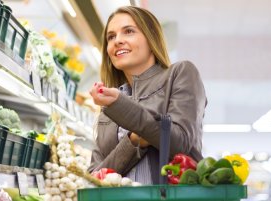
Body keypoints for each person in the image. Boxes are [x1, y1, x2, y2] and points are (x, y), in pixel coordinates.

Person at [88, 6, 207, 184]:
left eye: (128, 31)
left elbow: (179, 144)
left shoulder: (180, 73)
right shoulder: (111, 103)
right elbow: (94, 178)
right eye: (111, 36)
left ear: (151, 38)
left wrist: (120, 106)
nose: (117, 41)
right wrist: (135, 140)